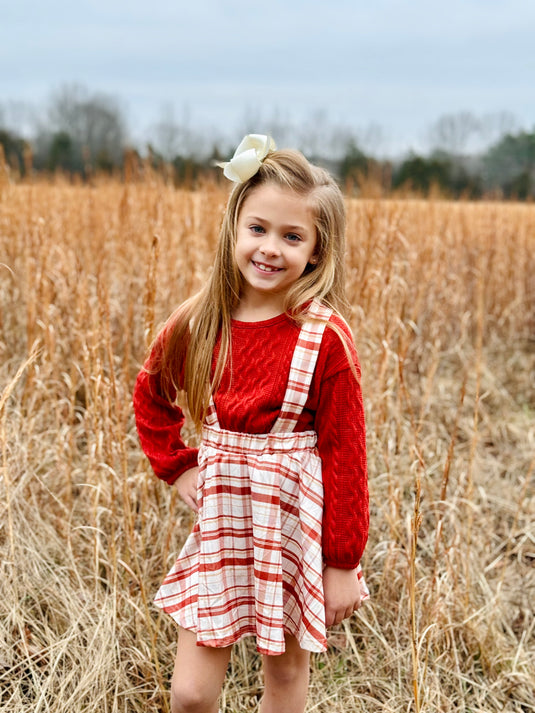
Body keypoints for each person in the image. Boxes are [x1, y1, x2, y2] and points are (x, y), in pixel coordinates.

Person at [133, 134, 370, 713]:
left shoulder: (325, 338)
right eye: (258, 229)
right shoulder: (201, 319)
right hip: (223, 516)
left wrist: (342, 564)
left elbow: (345, 453)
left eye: (292, 237)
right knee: (191, 694)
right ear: (235, 228)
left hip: (291, 520)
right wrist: (177, 466)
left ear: (316, 250)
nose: (270, 248)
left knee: (285, 676)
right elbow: (151, 395)